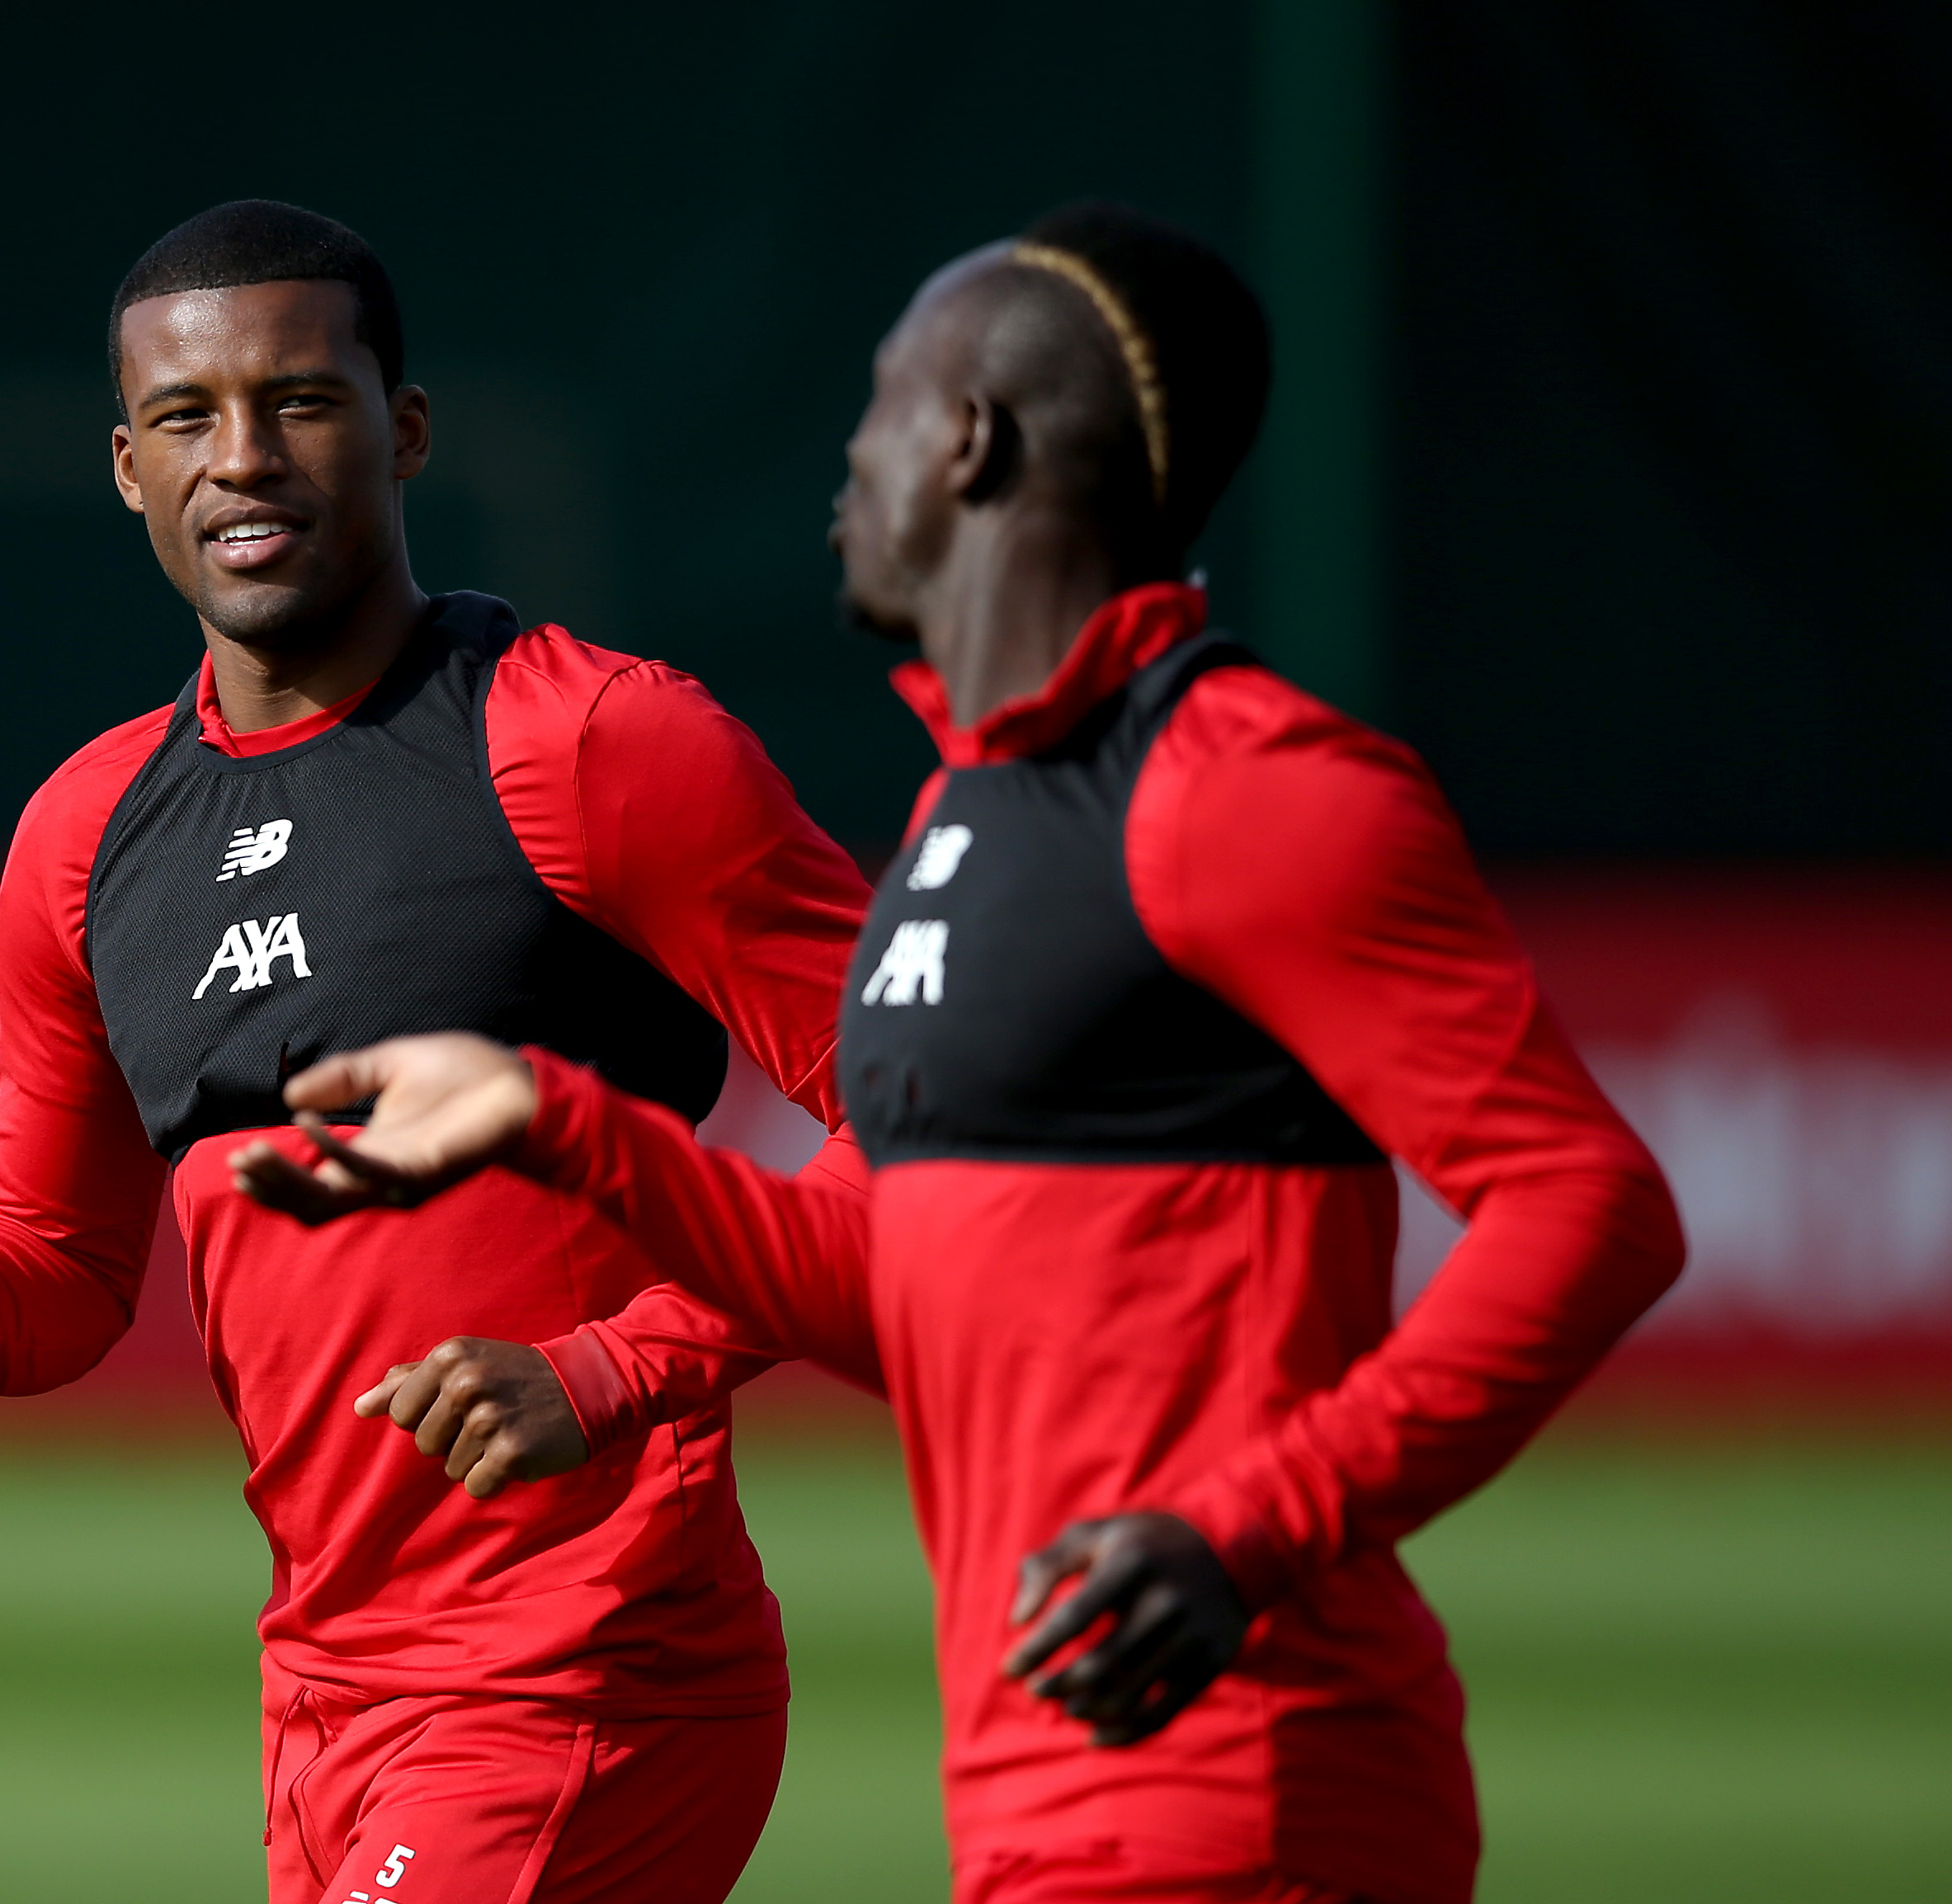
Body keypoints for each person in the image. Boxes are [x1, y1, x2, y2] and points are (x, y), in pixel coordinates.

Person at [230, 202, 1687, 1904]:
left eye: (880, 404)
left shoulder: (1246, 781)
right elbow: (918, 1287)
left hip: (1251, 1777)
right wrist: (556, 1121)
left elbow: (1595, 1204)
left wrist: (1253, 1528)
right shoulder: (966, 815)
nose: (845, 462)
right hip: (1041, 1793)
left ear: (974, 440)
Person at [0, 200, 876, 1904]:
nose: (246, 457)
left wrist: (615, 1368)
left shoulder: (593, 742)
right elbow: (65, 1278)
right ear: (125, 467)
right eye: (187, 417)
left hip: (584, 1676)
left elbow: (938, 1114)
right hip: (324, 1700)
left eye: (302, 400)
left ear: (408, 427)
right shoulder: (85, 838)